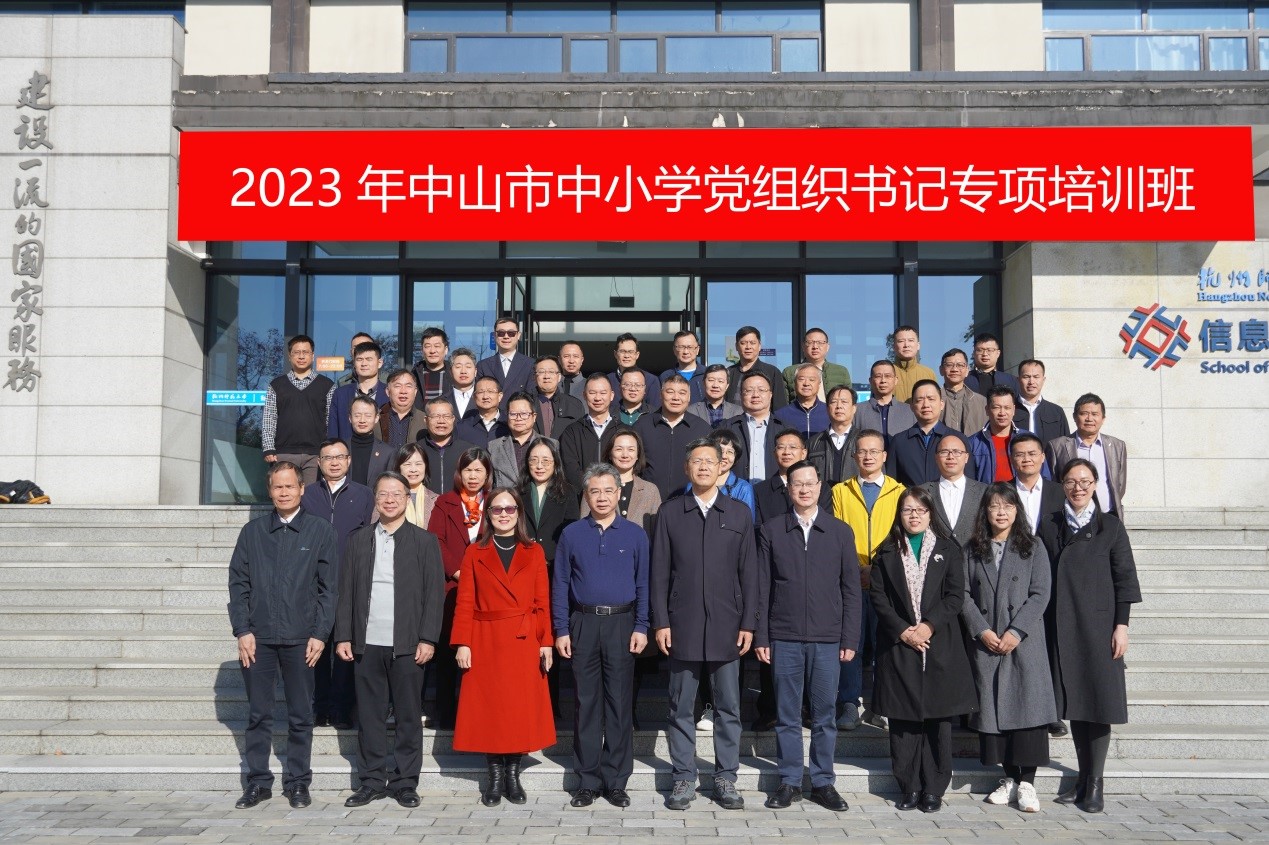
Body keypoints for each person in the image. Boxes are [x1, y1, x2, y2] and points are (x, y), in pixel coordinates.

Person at [651, 438, 759, 812]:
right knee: (681, 706)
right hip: (682, 624)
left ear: (721, 466)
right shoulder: (670, 512)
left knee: (728, 706)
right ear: (687, 468)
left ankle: (726, 777)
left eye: (709, 461)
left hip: (728, 626)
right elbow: (659, 572)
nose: (702, 467)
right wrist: (661, 621)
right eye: (696, 461)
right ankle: (684, 776)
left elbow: (750, 573)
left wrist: (749, 623)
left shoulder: (739, 514)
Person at [227, 461, 336, 810]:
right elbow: (238, 584)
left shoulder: (320, 531)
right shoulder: (253, 532)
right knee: (258, 714)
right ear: (270, 491)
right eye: (278, 487)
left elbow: (329, 589)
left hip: (302, 638)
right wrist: (243, 630)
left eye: (290, 486)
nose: (284, 492)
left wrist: (320, 634)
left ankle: (298, 782)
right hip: (258, 638)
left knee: (301, 715)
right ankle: (258, 782)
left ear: (302, 489)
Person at [334, 471, 446, 810]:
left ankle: (405, 782)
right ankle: (371, 781)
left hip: (408, 644)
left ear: (407, 499)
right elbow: (346, 591)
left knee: (409, 717)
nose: (390, 499)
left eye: (397, 494)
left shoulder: (424, 541)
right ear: (375, 499)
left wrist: (428, 638)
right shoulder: (359, 540)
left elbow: (434, 594)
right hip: (367, 642)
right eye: (383, 493)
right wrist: (344, 635)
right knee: (370, 716)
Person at [1036, 458, 1141, 814]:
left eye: (1085, 481)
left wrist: (1121, 626)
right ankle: (1082, 780)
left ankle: (1095, 782)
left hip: (1099, 627)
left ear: (1095, 484)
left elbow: (1125, 578)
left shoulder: (1110, 526)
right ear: (1062, 486)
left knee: (1098, 704)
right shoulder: (1050, 524)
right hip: (1061, 624)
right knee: (1077, 705)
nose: (1077, 488)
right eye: (1070, 481)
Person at [756, 460, 859, 813]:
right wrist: (762, 637)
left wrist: (850, 638)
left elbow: (851, 590)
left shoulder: (840, 532)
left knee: (824, 714)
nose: (804, 489)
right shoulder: (772, 530)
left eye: (810, 483)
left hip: (827, 637)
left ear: (820, 487)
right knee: (787, 714)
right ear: (789, 489)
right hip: (783, 636)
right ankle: (789, 780)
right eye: (797, 483)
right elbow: (762, 587)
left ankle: (823, 781)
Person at [869, 486, 977, 814]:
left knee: (937, 722)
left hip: (938, 642)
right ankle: (909, 786)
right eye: (907, 510)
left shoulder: (948, 549)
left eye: (920, 510)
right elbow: (878, 597)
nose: (914, 515)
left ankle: (933, 788)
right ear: (899, 515)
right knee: (903, 722)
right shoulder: (886, 551)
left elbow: (955, 595)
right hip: (898, 645)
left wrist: (928, 625)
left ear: (930, 514)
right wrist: (903, 630)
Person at [553, 463, 650, 809]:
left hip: (622, 624)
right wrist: (561, 629)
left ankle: (616, 781)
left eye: (609, 490)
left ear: (619, 493)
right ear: (586, 495)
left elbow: (644, 583)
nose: (603, 497)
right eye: (595, 491)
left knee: (619, 704)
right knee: (586, 704)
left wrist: (642, 625)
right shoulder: (572, 534)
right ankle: (587, 781)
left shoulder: (635, 535)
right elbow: (560, 584)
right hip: (583, 623)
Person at [451, 487, 556, 807]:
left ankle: (513, 773)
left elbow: (542, 601)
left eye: (510, 509)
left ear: (519, 512)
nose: (504, 514)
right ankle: (495, 776)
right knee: (491, 709)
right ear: (488, 514)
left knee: (518, 708)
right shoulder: (474, 551)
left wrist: (546, 642)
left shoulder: (534, 551)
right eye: (497, 509)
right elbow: (465, 601)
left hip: (523, 640)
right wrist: (462, 642)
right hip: (486, 639)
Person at [961, 482, 1056, 815]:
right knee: (994, 711)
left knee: (1027, 709)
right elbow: (963, 594)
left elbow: (1041, 593)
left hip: (1023, 641)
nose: (1001, 512)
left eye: (1008, 506)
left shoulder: (1033, 546)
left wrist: (1017, 631)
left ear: (1017, 510)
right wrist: (981, 629)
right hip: (987, 642)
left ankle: (1027, 782)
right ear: (985, 512)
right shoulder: (972, 549)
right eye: (994, 506)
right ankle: (1009, 779)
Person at [831, 430, 904, 731]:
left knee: (885, 644)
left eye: (874, 451)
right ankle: (849, 703)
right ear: (854, 456)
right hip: (851, 581)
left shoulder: (900, 492)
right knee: (852, 644)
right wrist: (856, 568)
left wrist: (876, 568)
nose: (868, 456)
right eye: (862, 451)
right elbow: (837, 534)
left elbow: (902, 534)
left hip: (887, 583)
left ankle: (881, 706)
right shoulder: (840, 491)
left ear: (884, 456)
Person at [301, 438, 374, 730]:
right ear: (319, 463)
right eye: (328, 458)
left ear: (348, 460)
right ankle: (319, 708)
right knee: (316, 647)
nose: (334, 462)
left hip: (350, 582)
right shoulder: (307, 494)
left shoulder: (364, 494)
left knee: (346, 647)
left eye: (340, 457)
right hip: (314, 584)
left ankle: (342, 709)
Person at [425, 447, 494, 730]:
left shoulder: (496, 502)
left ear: (487, 474)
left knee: (481, 655)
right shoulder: (445, 502)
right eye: (468, 470)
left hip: (487, 590)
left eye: (479, 470)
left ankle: (477, 714)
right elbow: (436, 541)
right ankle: (445, 714)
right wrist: (457, 571)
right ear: (459, 473)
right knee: (447, 652)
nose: (473, 476)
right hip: (451, 587)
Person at [262, 334, 335, 485]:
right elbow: (269, 418)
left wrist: (328, 452)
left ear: (312, 355)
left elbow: (330, 420)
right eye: (297, 352)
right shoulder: (276, 385)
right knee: (285, 493)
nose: (301, 356)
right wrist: (268, 448)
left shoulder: (327, 385)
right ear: (289, 356)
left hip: (315, 454)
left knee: (312, 496)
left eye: (305, 352)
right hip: (283, 453)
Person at [1045, 394, 1127, 518]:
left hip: (1109, 515)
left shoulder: (1117, 446)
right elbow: (1054, 484)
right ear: (1074, 416)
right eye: (1084, 414)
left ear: (1103, 418)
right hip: (1072, 517)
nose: (1089, 419)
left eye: (1095, 414)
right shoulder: (1057, 446)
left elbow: (1120, 484)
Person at [887, 380, 977, 488]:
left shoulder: (958, 439)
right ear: (912, 406)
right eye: (919, 400)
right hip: (912, 499)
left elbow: (969, 481)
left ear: (941, 404)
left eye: (931, 399)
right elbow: (891, 484)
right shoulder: (899, 441)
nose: (926, 405)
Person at [634, 374, 708, 499]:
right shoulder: (642, 426)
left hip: (689, 501)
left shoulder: (702, 429)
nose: (676, 397)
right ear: (661, 394)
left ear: (689, 397)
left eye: (682, 393)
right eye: (670, 392)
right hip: (647, 500)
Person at [585, 426, 662, 535]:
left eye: (631, 449)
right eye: (619, 449)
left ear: (637, 455)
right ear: (610, 454)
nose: (625, 455)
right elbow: (584, 527)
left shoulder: (650, 490)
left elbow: (658, 533)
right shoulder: (594, 486)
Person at [919, 433, 987, 551]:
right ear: (936, 458)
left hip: (974, 558)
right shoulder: (922, 492)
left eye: (957, 452)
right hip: (936, 559)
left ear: (966, 457)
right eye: (944, 452)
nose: (951, 456)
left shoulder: (984, 491)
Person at [969, 387, 1048, 485]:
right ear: (987, 410)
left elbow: (1044, 475)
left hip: (1022, 493)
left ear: (1014, 410)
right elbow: (969, 481)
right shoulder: (973, 442)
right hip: (987, 493)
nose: (1002, 413)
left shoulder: (1029, 439)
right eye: (996, 407)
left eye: (1007, 408)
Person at [724, 370, 793, 482]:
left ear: (770, 395)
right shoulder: (727, 428)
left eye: (761, 390)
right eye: (749, 390)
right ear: (741, 395)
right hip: (735, 490)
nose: (755, 395)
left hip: (774, 490)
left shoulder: (786, 429)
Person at [754, 429, 832, 526]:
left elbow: (827, 525)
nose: (786, 452)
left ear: (803, 453)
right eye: (781, 447)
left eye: (793, 447)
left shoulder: (821, 488)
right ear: (774, 453)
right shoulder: (760, 491)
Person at [559, 373, 618, 491]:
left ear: (611, 395)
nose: (597, 398)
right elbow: (570, 469)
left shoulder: (622, 431)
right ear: (584, 395)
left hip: (615, 495)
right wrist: (591, 491)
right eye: (592, 393)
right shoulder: (572, 432)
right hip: (582, 496)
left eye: (603, 393)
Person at [328, 340, 388, 443]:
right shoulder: (340, 394)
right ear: (354, 363)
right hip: (347, 450)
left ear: (379, 363)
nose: (364, 364)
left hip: (381, 451)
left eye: (369, 359)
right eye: (359, 359)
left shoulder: (389, 394)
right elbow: (333, 431)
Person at [1011, 433, 1065, 535]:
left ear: (1042, 457)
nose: (1027, 459)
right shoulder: (1002, 491)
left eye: (1032, 454)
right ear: (1011, 459)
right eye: (1020, 455)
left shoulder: (1060, 492)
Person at [489, 391, 547, 488]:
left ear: (534, 417)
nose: (518, 418)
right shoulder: (494, 447)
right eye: (513, 414)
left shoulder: (550, 444)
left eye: (524, 414)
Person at [420, 397, 476, 495]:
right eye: (435, 416)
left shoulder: (468, 450)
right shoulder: (416, 450)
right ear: (426, 419)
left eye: (446, 416)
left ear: (453, 419)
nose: (441, 421)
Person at [854, 361, 916, 449]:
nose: (883, 381)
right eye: (878, 376)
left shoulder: (910, 411)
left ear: (896, 380)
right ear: (870, 381)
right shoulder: (857, 410)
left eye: (888, 376)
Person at [780, 327, 851, 403]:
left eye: (820, 343)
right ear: (803, 346)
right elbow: (784, 403)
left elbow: (849, 401)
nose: (815, 347)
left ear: (827, 347)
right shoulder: (789, 372)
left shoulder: (841, 372)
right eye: (810, 342)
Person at [809, 385, 860, 487]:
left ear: (854, 408)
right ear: (827, 409)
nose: (839, 406)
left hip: (855, 496)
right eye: (834, 402)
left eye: (844, 402)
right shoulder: (813, 443)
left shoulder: (864, 440)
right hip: (822, 496)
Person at [726, 325, 787, 410]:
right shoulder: (728, 373)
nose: (748, 347)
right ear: (736, 346)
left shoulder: (772, 372)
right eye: (743, 343)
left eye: (752, 343)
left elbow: (779, 407)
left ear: (759, 346)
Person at [476, 316, 534, 399]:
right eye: (501, 333)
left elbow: (531, 396)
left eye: (511, 333)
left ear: (518, 335)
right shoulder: (483, 366)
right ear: (494, 335)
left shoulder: (530, 364)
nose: (506, 336)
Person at [1014, 359, 1070, 445]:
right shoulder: (1009, 409)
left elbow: (1066, 445)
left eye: (1036, 377)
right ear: (1018, 380)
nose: (1031, 382)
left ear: (1043, 380)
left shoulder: (1056, 411)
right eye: (1026, 377)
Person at [346, 395, 395, 488]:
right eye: (357, 415)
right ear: (350, 418)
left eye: (368, 416)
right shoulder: (341, 449)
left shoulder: (387, 453)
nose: (362, 420)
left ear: (376, 418)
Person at [939, 348, 988, 436]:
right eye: (949, 365)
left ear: (967, 370)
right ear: (941, 370)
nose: (955, 369)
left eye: (960, 365)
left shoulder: (982, 402)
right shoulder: (933, 401)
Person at [534, 354, 585, 438]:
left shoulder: (574, 405)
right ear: (534, 377)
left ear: (559, 377)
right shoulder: (525, 404)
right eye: (541, 372)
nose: (546, 376)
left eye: (551, 372)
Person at [607, 332, 661, 411]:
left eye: (630, 352)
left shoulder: (651, 380)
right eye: (622, 351)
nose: (626, 356)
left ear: (637, 355)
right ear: (615, 354)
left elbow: (655, 412)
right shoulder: (607, 380)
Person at [773, 363, 830, 438]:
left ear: (819, 384)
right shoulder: (780, 415)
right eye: (801, 379)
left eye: (812, 380)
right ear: (795, 383)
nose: (806, 383)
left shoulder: (829, 412)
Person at [377, 369, 427, 450]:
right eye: (397, 386)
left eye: (408, 386)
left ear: (415, 391)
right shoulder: (375, 419)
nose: (403, 391)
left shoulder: (425, 420)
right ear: (388, 391)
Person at [395, 442, 438, 529]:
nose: (413, 470)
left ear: (426, 467)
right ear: (399, 467)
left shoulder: (436, 500)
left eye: (418, 464)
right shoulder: (387, 498)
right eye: (407, 464)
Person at [457, 376, 509, 448]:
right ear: (474, 397)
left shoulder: (510, 424)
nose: (485, 397)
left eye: (490, 391)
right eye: (480, 392)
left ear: (500, 396)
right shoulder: (461, 428)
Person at [965, 333, 1021, 399]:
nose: (985, 354)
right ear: (974, 353)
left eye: (989, 350)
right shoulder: (965, 379)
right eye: (980, 350)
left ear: (998, 353)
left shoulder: (1011, 380)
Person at [687, 363, 741, 428]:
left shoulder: (739, 412)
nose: (715, 385)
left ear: (727, 386)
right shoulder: (690, 411)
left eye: (720, 381)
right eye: (711, 380)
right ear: (704, 383)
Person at [892, 326, 938, 403]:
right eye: (901, 341)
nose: (906, 345)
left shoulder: (929, 373)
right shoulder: (886, 373)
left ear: (918, 345)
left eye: (911, 340)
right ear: (894, 346)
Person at [660, 330, 706, 402]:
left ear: (697, 350)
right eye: (681, 347)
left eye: (690, 347)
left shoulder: (707, 375)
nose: (686, 352)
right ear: (674, 350)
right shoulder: (665, 376)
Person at [411, 326, 450, 406]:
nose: (432, 351)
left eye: (437, 346)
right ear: (422, 350)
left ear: (446, 350)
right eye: (428, 346)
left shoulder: (454, 374)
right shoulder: (414, 375)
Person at [443, 347, 478, 421]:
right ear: (451, 372)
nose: (463, 371)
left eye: (468, 367)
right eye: (458, 367)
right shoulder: (441, 401)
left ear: (475, 372)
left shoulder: (484, 399)